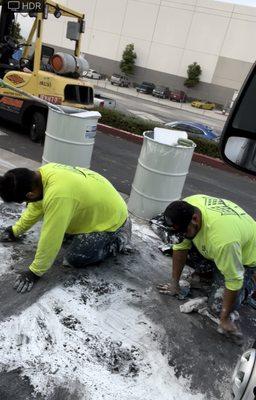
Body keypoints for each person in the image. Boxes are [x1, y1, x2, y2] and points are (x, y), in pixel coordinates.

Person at [0, 163, 131, 293]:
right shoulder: (42, 175)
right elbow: (36, 207)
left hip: (113, 219)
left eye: (24, 200)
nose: (27, 203)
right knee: (61, 227)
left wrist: (35, 272)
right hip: (101, 205)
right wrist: (15, 231)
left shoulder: (58, 195)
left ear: (30, 195)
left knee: (75, 258)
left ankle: (118, 238)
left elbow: (52, 235)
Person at [157, 194, 256, 336]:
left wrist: (224, 319)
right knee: (180, 244)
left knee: (217, 308)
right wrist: (175, 284)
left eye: (184, 231)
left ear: (195, 219)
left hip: (245, 258)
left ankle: (251, 281)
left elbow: (234, 280)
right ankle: (212, 272)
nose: (182, 235)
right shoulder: (187, 207)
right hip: (221, 244)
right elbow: (180, 247)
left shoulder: (224, 241)